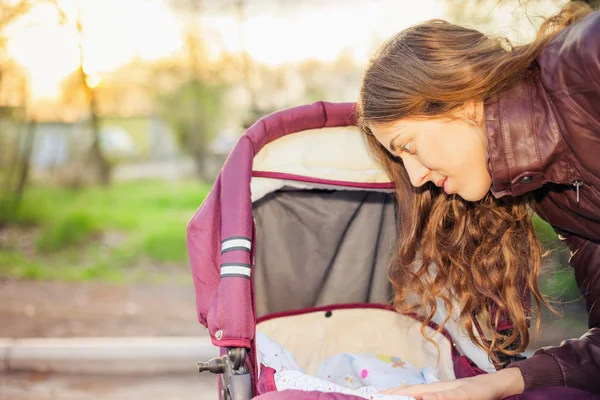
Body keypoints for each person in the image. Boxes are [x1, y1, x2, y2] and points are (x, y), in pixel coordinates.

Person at [356, 1, 600, 399]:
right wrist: (495, 383)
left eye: (408, 146)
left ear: (460, 99)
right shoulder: (555, 198)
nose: (417, 178)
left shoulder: (581, 65)